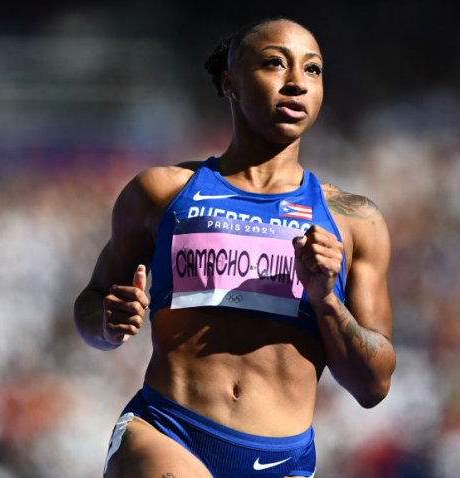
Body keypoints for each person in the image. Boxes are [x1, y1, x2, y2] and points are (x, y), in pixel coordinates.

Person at [74, 16, 396, 478]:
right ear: (230, 82)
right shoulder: (162, 192)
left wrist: (326, 299)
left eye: (313, 70)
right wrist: (106, 323)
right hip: (169, 430)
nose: (296, 84)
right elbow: (89, 305)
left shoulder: (353, 221)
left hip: (281, 459)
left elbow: (374, 385)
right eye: (273, 64)